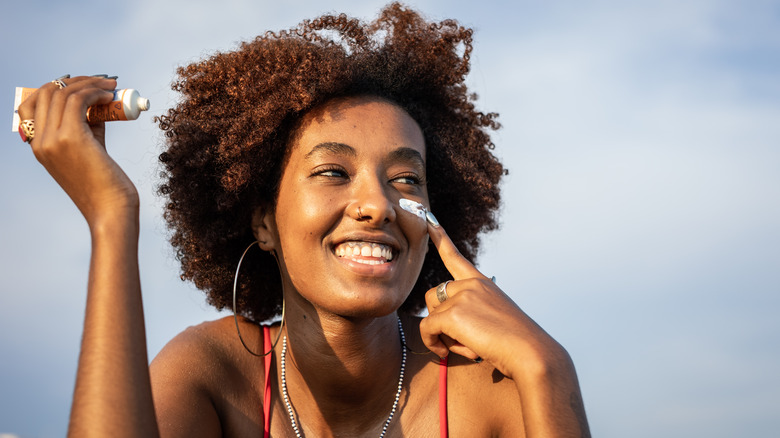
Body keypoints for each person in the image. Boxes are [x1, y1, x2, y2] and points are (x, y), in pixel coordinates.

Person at [16, 3, 590, 437]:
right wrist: (113, 219)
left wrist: (549, 369)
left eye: (406, 180)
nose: (378, 205)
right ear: (263, 223)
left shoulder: (485, 387)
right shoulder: (211, 375)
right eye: (333, 172)